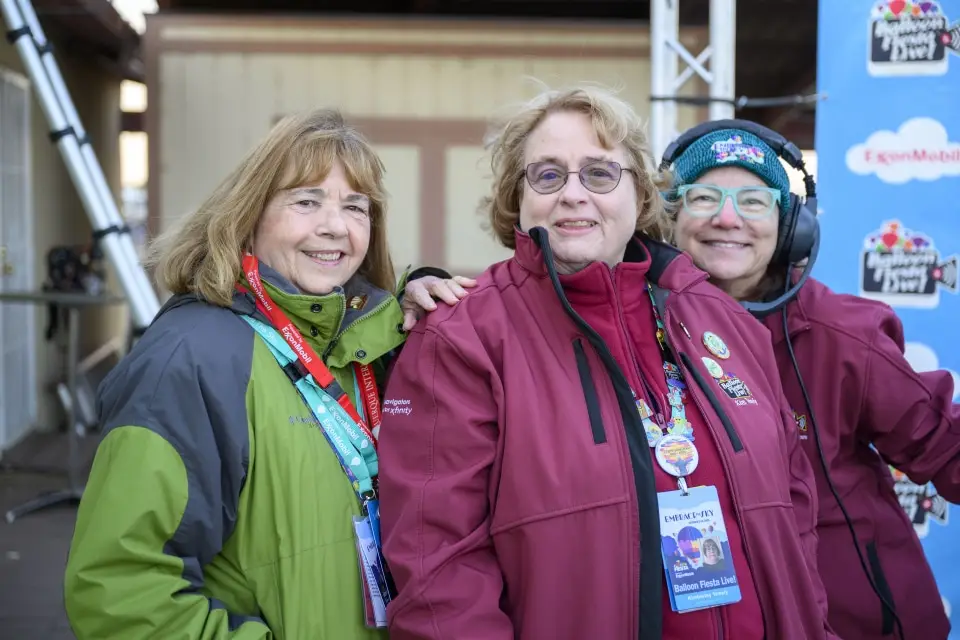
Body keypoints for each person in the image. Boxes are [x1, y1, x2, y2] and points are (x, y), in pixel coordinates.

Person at [376, 85, 838, 640]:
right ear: (515, 200)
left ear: (641, 193)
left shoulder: (724, 320)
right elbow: (436, 569)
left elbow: (795, 513)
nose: (574, 194)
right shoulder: (463, 337)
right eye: (547, 175)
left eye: (600, 173)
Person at [62, 108, 474, 639]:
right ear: (250, 214)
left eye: (356, 206)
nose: (335, 226)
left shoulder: (370, 348)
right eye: (306, 201)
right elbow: (119, 589)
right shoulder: (192, 359)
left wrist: (421, 296)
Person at [665, 118, 960, 640]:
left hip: (860, 622)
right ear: (668, 218)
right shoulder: (637, 327)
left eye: (754, 201)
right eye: (704, 196)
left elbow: (947, 448)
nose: (728, 218)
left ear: (791, 226)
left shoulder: (844, 334)